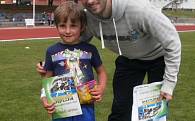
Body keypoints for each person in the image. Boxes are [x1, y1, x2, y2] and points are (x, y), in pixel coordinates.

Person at [37, 0, 181, 121]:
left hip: (158, 58)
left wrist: (169, 84)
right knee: (120, 110)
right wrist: (48, 63)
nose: (90, 1)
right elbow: (74, 43)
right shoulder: (87, 17)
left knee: (154, 112)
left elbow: (173, 42)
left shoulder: (140, 10)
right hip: (128, 59)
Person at [40, 1, 107, 121]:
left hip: (86, 105)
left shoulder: (90, 49)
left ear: (82, 27)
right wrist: (44, 97)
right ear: (56, 26)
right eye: (62, 26)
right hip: (61, 107)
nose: (67, 31)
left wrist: (101, 88)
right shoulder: (51, 51)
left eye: (73, 26)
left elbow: (101, 72)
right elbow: (47, 78)